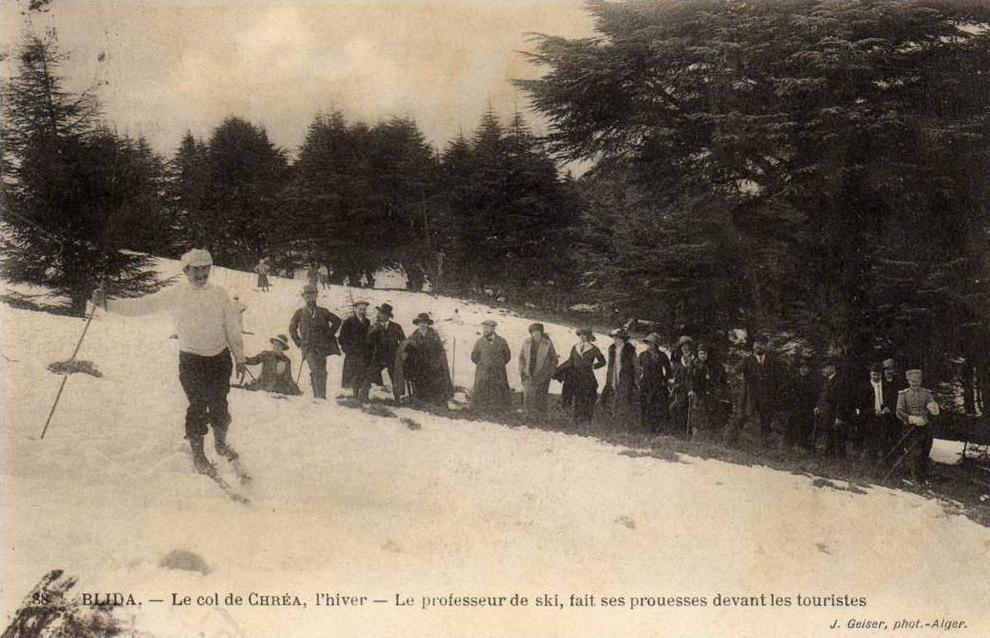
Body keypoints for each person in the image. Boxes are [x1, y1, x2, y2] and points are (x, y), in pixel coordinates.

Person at [92, 249, 246, 473]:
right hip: (191, 360)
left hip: (219, 359)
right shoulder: (175, 294)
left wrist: (240, 358)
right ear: (186, 271)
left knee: (220, 403)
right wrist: (108, 305)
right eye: (196, 270)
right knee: (197, 405)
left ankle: (221, 443)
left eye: (206, 269)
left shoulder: (220, 295)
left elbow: (233, 328)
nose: (201, 274)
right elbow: (141, 306)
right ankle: (198, 453)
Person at [725, 334, 781, 446]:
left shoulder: (772, 361)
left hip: (766, 396)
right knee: (742, 417)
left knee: (766, 420)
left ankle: (765, 444)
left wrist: (773, 392)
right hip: (750, 396)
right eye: (756, 344)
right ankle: (730, 441)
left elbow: (777, 378)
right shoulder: (747, 360)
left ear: (765, 346)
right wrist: (739, 385)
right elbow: (734, 371)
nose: (758, 346)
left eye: (761, 344)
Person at [288, 284, 342, 399]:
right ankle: (317, 396)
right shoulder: (299, 313)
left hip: (322, 348)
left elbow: (337, 321)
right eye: (307, 296)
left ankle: (322, 396)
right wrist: (299, 343)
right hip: (307, 348)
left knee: (322, 370)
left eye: (312, 295)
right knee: (315, 369)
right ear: (303, 297)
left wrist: (329, 334)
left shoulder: (323, 311)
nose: (310, 298)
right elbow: (292, 329)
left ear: (316, 296)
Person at [395, 313, 454, 407]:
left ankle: (435, 403)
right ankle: (421, 402)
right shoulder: (414, 336)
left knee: (433, 383)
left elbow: (439, 351)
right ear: (417, 324)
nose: (422, 325)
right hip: (419, 365)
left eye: (425, 323)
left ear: (427, 324)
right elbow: (407, 348)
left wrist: (435, 362)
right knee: (420, 382)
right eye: (421, 323)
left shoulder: (433, 334)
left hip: (432, 365)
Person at [895, 369, 939, 485]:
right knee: (914, 453)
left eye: (917, 380)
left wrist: (932, 409)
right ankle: (914, 478)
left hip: (925, 428)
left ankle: (922, 477)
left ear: (921, 380)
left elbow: (933, 409)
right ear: (908, 381)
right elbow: (899, 411)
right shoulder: (903, 394)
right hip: (910, 429)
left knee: (925, 452)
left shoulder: (927, 394)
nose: (915, 383)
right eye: (912, 381)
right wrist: (911, 418)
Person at [563, 328, 606, 424]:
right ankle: (574, 419)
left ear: (589, 337)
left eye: (584, 335)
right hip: (575, 376)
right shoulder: (575, 347)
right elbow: (570, 361)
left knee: (587, 397)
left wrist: (593, 366)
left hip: (588, 377)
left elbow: (603, 362)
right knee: (576, 397)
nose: (582, 337)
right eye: (580, 335)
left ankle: (586, 419)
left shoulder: (593, 349)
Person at [470, 320, 512, 414]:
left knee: (497, 391)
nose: (485, 330)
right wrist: (483, 364)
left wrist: (498, 365)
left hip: (498, 373)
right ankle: (480, 410)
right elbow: (474, 357)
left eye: (487, 328)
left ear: (493, 329)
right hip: (483, 373)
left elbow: (507, 356)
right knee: (481, 391)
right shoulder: (479, 342)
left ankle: (497, 411)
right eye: (484, 328)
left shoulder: (502, 341)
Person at [600, 328, 640, 427]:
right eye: (615, 338)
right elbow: (610, 365)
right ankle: (613, 421)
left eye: (617, 338)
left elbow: (636, 366)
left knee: (624, 398)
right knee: (612, 396)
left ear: (622, 339)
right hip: (614, 376)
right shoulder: (612, 349)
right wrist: (609, 378)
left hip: (626, 377)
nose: (615, 340)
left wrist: (636, 380)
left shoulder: (629, 350)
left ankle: (623, 423)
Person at [366, 303, 406, 401]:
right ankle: (363, 397)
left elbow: (403, 341)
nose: (379, 315)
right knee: (369, 375)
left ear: (387, 316)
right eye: (379, 313)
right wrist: (374, 329)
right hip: (378, 356)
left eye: (382, 314)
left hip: (393, 357)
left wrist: (401, 354)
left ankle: (397, 399)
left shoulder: (396, 327)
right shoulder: (374, 326)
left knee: (395, 377)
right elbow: (368, 341)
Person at [518, 323, 558, 417]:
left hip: (542, 375)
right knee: (527, 395)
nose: (535, 335)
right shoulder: (526, 342)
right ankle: (527, 414)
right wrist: (522, 369)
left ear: (541, 333)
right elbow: (521, 357)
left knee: (540, 396)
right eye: (533, 333)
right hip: (528, 373)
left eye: (537, 332)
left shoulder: (547, 343)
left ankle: (540, 416)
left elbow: (554, 359)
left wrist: (549, 372)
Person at [782, 354, 818, 452]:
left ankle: (803, 446)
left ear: (810, 369)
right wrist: (790, 399)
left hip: (807, 408)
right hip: (795, 406)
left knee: (805, 428)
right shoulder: (794, 378)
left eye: (806, 368)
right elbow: (785, 390)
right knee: (791, 425)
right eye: (801, 367)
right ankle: (788, 445)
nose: (803, 369)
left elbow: (815, 395)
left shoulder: (813, 381)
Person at [338, 300, 373, 400]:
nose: (362, 311)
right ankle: (355, 396)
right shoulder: (349, 322)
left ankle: (364, 396)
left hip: (365, 353)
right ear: (355, 309)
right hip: (353, 353)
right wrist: (347, 350)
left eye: (364, 309)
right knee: (355, 374)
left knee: (364, 374)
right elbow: (342, 338)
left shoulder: (367, 322)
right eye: (360, 309)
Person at [855, 363, 889, 461]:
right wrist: (873, 411)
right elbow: (860, 404)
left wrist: (887, 408)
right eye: (874, 374)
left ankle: (883, 457)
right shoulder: (864, 387)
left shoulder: (886, 386)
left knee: (883, 436)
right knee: (870, 436)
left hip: (884, 414)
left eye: (878, 375)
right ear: (870, 374)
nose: (876, 377)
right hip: (869, 415)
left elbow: (892, 400)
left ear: (881, 374)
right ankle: (869, 456)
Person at [689, 343, 724, 439]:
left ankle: (711, 435)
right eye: (700, 353)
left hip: (711, 391)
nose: (702, 356)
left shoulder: (714, 364)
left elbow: (719, 378)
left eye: (704, 353)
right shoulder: (694, 364)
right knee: (697, 412)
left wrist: (713, 383)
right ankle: (696, 435)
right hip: (698, 392)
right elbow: (691, 378)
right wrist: (692, 389)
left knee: (711, 412)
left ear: (708, 354)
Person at [638, 333, 672, 433]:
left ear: (656, 345)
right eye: (648, 343)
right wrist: (639, 380)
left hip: (658, 386)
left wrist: (663, 381)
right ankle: (645, 428)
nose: (649, 346)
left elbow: (669, 371)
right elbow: (638, 369)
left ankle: (656, 428)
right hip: (645, 384)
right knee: (645, 406)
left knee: (657, 407)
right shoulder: (643, 355)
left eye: (652, 344)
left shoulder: (662, 356)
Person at [814, 361, 848, 458]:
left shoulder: (840, 381)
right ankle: (829, 454)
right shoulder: (826, 380)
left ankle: (841, 457)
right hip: (826, 412)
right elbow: (822, 395)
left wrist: (839, 416)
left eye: (825, 368)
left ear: (832, 368)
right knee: (828, 433)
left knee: (838, 436)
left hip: (835, 413)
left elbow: (842, 400)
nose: (823, 370)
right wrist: (818, 406)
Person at [669, 336, 697, 436]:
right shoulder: (680, 359)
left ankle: (685, 433)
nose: (685, 348)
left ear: (690, 347)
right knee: (675, 409)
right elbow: (676, 373)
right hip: (680, 389)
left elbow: (694, 376)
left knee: (685, 411)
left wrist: (691, 389)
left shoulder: (694, 359)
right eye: (682, 346)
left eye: (686, 346)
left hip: (690, 389)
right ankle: (678, 431)